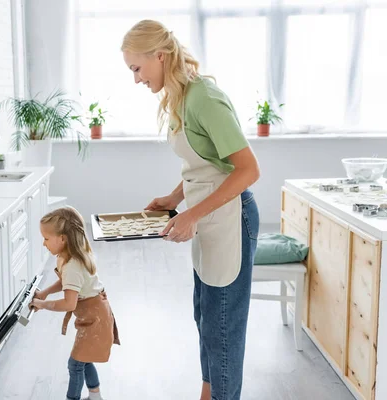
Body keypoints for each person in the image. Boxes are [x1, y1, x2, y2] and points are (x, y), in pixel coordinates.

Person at [121, 20, 261, 400]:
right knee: (206, 316)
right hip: (209, 216)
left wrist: (193, 215)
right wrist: (174, 200)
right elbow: (209, 164)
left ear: (160, 56)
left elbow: (248, 170)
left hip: (231, 217)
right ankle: (208, 393)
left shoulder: (205, 98)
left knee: (223, 327)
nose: (135, 79)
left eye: (137, 68)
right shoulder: (181, 97)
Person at [30, 206, 120, 400]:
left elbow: (69, 304)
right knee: (84, 360)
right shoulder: (66, 258)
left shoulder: (73, 266)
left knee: (75, 364)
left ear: (62, 239)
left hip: (95, 318)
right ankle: (96, 397)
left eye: (46, 238)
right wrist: (44, 293)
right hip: (93, 313)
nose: (43, 243)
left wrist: (43, 304)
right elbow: (65, 282)